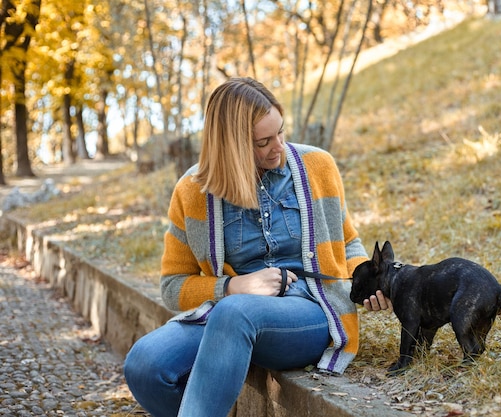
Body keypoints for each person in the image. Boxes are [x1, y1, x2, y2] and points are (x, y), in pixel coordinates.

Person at [123, 77, 390, 417]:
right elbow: (172, 286)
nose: (279, 146)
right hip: (224, 317)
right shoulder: (193, 192)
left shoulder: (318, 166)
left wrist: (370, 279)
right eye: (264, 141)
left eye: (280, 131)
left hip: (308, 310)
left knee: (236, 313)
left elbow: (346, 240)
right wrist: (233, 286)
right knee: (145, 365)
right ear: (231, 147)